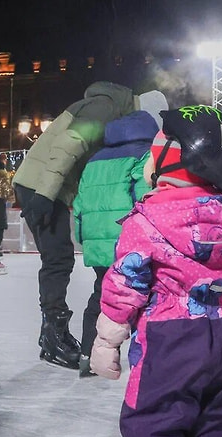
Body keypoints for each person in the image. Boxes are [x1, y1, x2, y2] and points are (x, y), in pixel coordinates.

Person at [90, 105, 222, 437]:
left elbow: (126, 284)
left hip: (169, 338)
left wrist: (106, 342)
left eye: (156, 150)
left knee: (156, 419)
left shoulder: (147, 220)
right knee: (213, 417)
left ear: (176, 160)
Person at [11, 81, 167, 370]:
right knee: (57, 259)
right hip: (42, 184)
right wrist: (44, 194)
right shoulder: (105, 106)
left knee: (59, 258)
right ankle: (53, 335)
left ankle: (53, 334)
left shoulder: (110, 111)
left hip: (44, 185)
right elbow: (69, 144)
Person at [72, 110, 157, 377]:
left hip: (97, 243)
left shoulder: (94, 160)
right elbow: (147, 199)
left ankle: (88, 355)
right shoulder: (146, 154)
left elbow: (79, 205)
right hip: (129, 243)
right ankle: (146, 361)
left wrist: (83, 238)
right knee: (144, 298)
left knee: (101, 295)